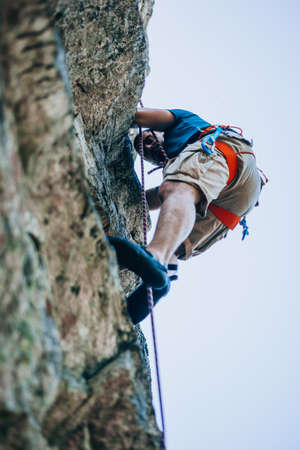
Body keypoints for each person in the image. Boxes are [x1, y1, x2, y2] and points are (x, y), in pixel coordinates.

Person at [108, 108, 267, 324]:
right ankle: (163, 275)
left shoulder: (183, 121)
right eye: (145, 151)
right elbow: (157, 197)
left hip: (225, 150)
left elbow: (133, 115)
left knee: (177, 191)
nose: (148, 146)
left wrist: (124, 122)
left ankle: (155, 258)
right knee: (175, 229)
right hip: (231, 204)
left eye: (148, 138)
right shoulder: (185, 165)